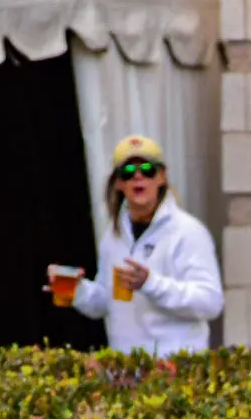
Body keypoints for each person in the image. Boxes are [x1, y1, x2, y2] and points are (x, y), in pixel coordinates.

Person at [52, 135, 222, 356]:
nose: (138, 176)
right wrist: (76, 289)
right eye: (128, 171)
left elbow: (210, 303)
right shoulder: (113, 234)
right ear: (119, 183)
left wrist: (150, 283)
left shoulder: (187, 231)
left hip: (177, 366)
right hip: (126, 366)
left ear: (161, 178)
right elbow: (106, 303)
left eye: (148, 170)